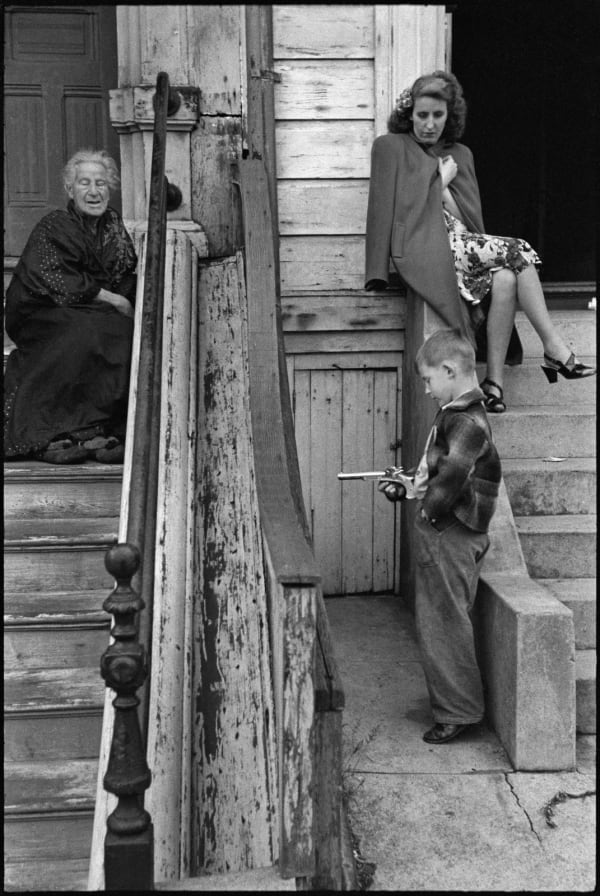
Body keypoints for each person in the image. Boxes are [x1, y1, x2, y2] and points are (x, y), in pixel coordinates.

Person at [365, 71, 595, 413]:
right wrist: (438, 179)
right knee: (519, 250)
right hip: (420, 247)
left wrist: (444, 189)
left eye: (438, 116)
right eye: (422, 115)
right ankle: (553, 347)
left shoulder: (462, 154)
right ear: (409, 114)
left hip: (462, 245)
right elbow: (389, 208)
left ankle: (494, 383)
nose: (429, 124)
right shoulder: (390, 147)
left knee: (505, 276)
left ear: (450, 116)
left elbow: (469, 220)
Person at [379, 328, 500, 744]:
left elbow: (449, 481)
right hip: (451, 530)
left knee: (443, 623)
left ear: (450, 370)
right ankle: (456, 704)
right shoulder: (456, 412)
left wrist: (421, 502)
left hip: (451, 532)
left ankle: (459, 711)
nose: (427, 390)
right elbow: (439, 471)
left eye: (429, 380)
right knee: (442, 619)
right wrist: (410, 483)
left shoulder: (466, 420)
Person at [4, 149, 137, 464]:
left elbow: (125, 274)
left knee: (121, 332)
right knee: (83, 332)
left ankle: (97, 429)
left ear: (111, 188)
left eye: (101, 183)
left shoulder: (113, 227)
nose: (94, 192)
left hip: (87, 309)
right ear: (70, 190)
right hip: (40, 308)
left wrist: (124, 299)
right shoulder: (55, 225)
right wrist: (114, 299)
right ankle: (52, 433)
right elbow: (53, 278)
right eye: (85, 183)